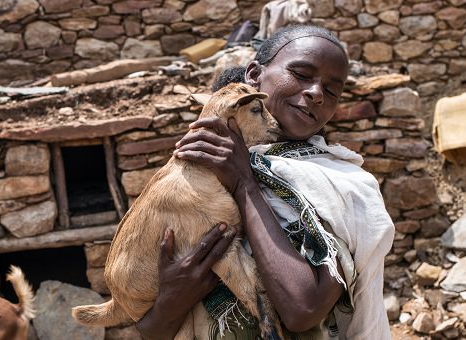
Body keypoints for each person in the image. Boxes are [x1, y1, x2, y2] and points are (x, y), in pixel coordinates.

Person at [136, 25, 394, 339]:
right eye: (301, 74)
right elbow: (149, 329)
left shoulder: (343, 188)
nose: (315, 93)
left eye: (331, 90)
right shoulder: (191, 176)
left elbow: (302, 310)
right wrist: (171, 301)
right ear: (255, 75)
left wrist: (244, 183)